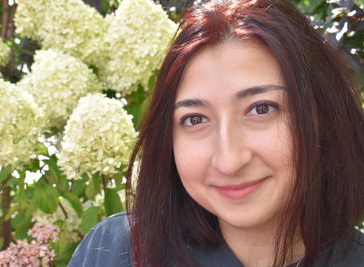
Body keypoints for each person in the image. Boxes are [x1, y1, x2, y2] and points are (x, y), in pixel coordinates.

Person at [68, 0, 364, 266]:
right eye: (195, 119)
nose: (229, 160)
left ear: (322, 116)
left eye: (261, 109)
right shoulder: (115, 251)